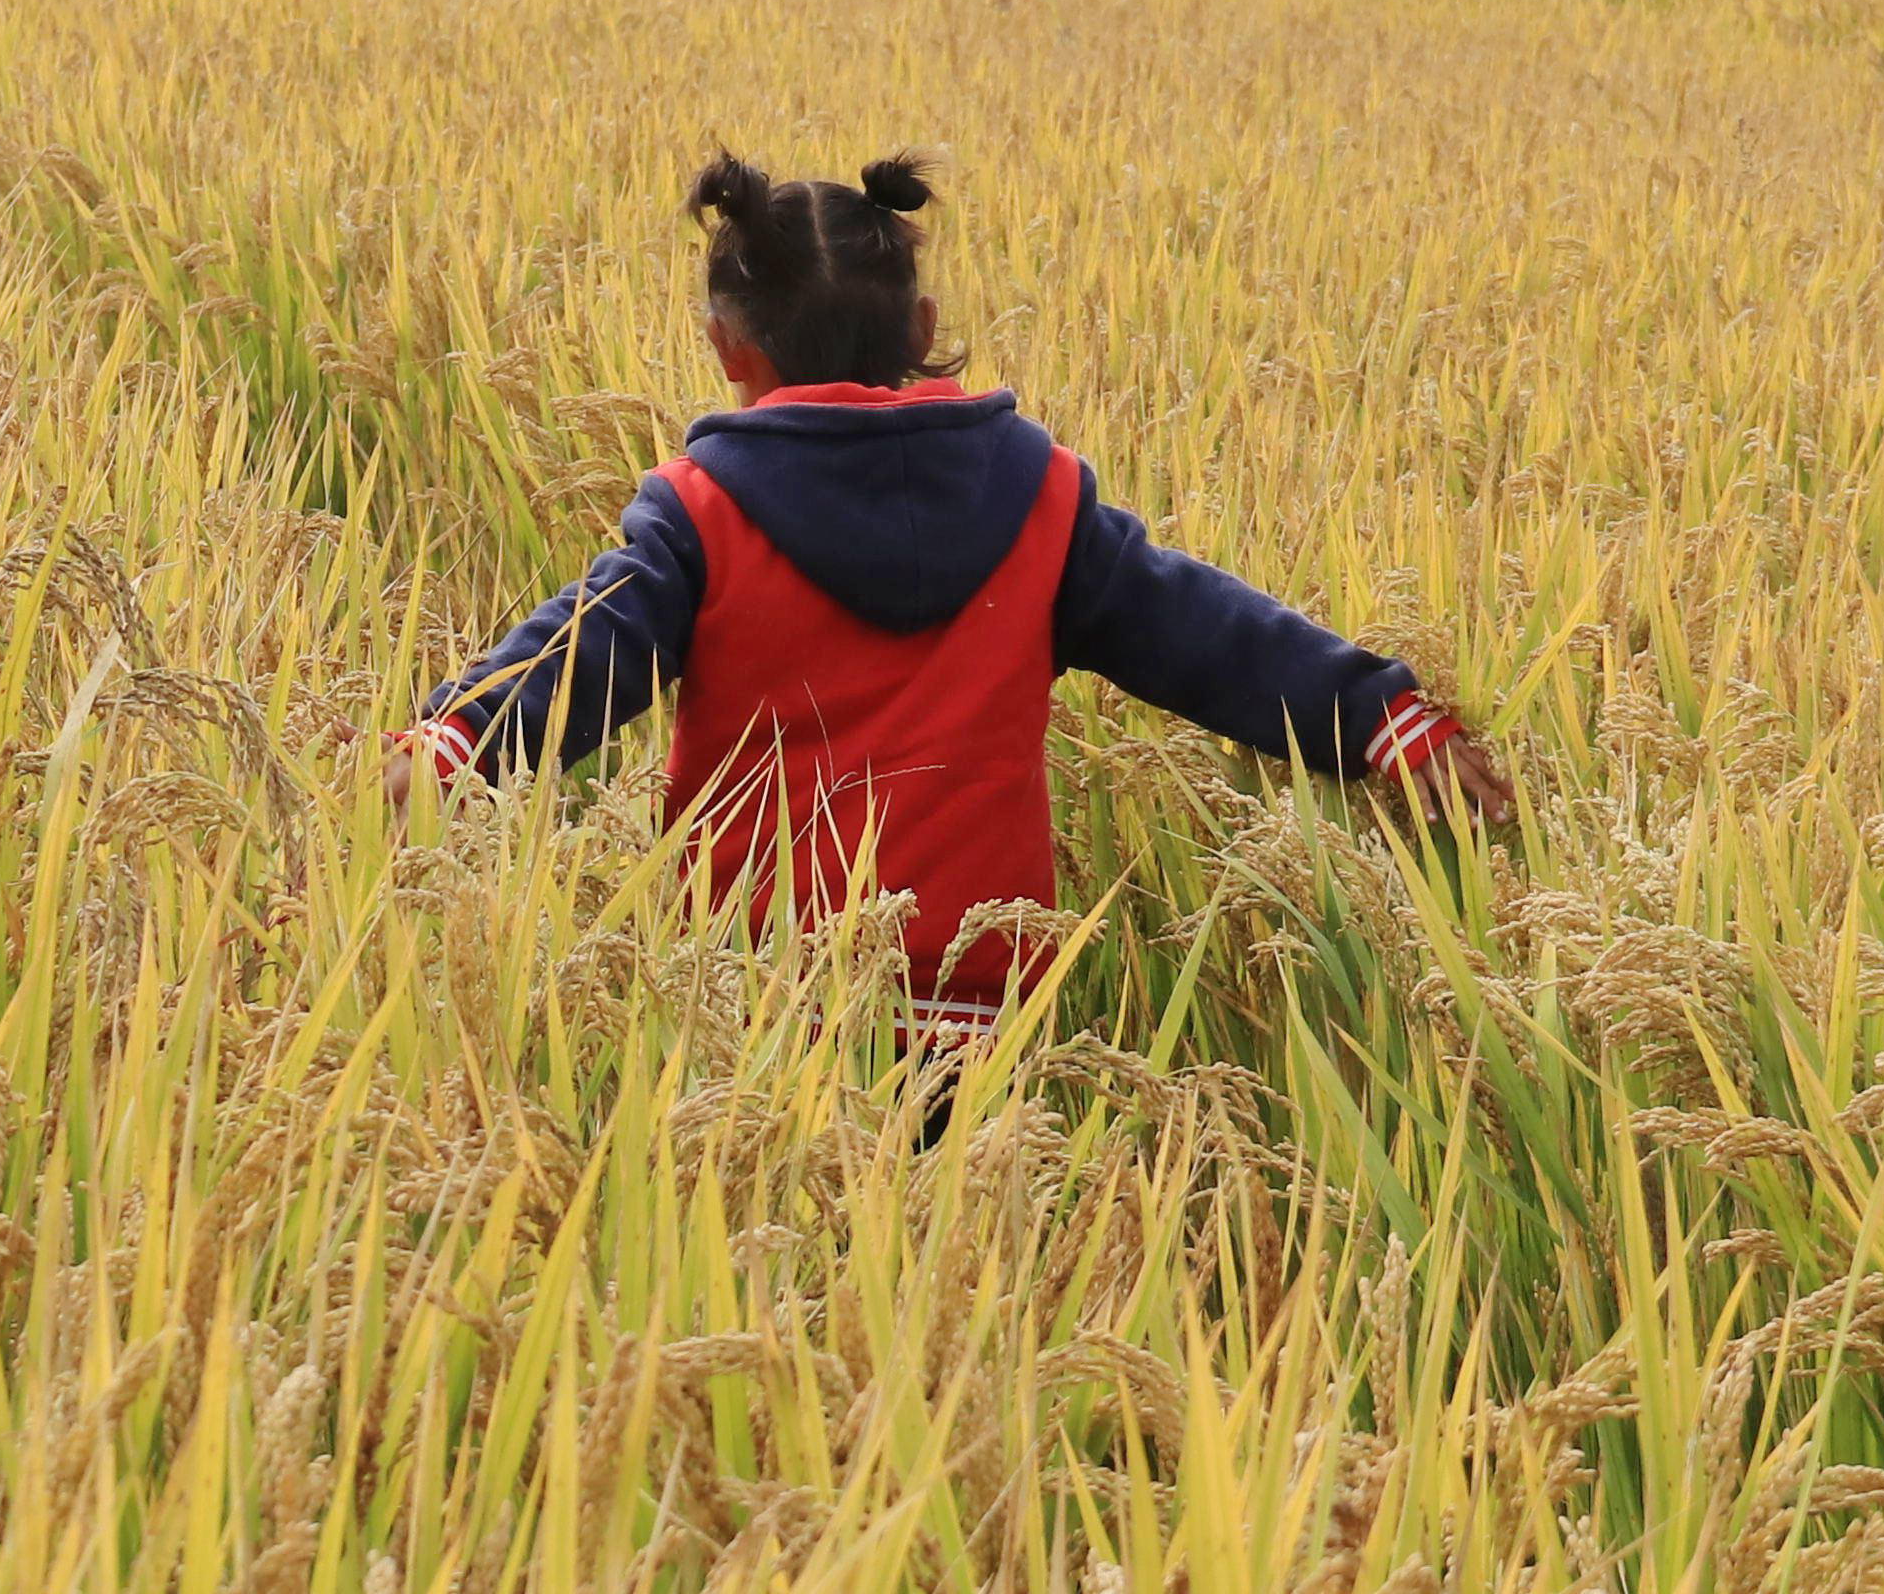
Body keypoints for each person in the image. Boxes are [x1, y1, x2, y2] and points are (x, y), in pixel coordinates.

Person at [401, 150, 1508, 1046]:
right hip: (979, 1006)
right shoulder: (1040, 500)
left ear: (725, 347)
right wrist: (1381, 720)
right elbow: (1210, 634)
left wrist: (453, 744)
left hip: (754, 994)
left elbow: (579, 658)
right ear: (922, 334)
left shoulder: (702, 516)